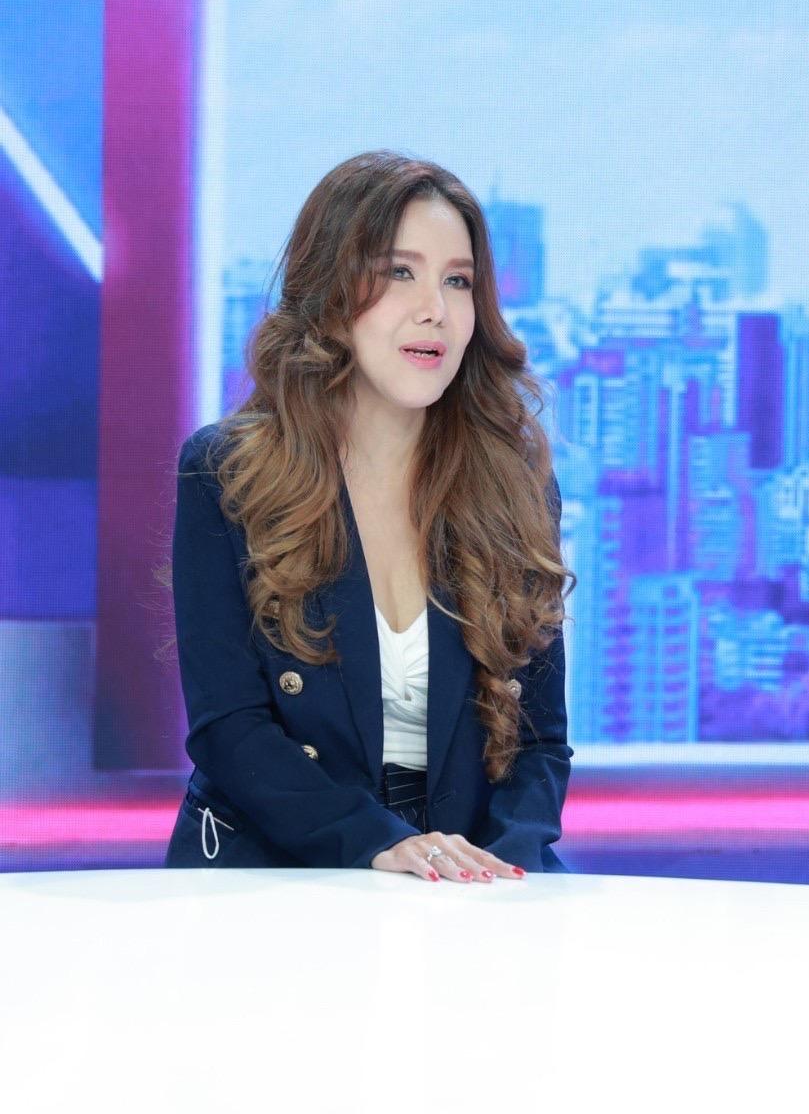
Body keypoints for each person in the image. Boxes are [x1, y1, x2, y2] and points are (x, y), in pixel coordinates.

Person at [164, 150, 576, 882]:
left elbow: (539, 744)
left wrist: (501, 871)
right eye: (399, 273)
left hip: (467, 874)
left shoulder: (513, 483)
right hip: (277, 867)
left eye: (458, 281)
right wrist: (378, 843)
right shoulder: (228, 472)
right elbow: (230, 727)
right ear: (330, 292)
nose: (435, 308)